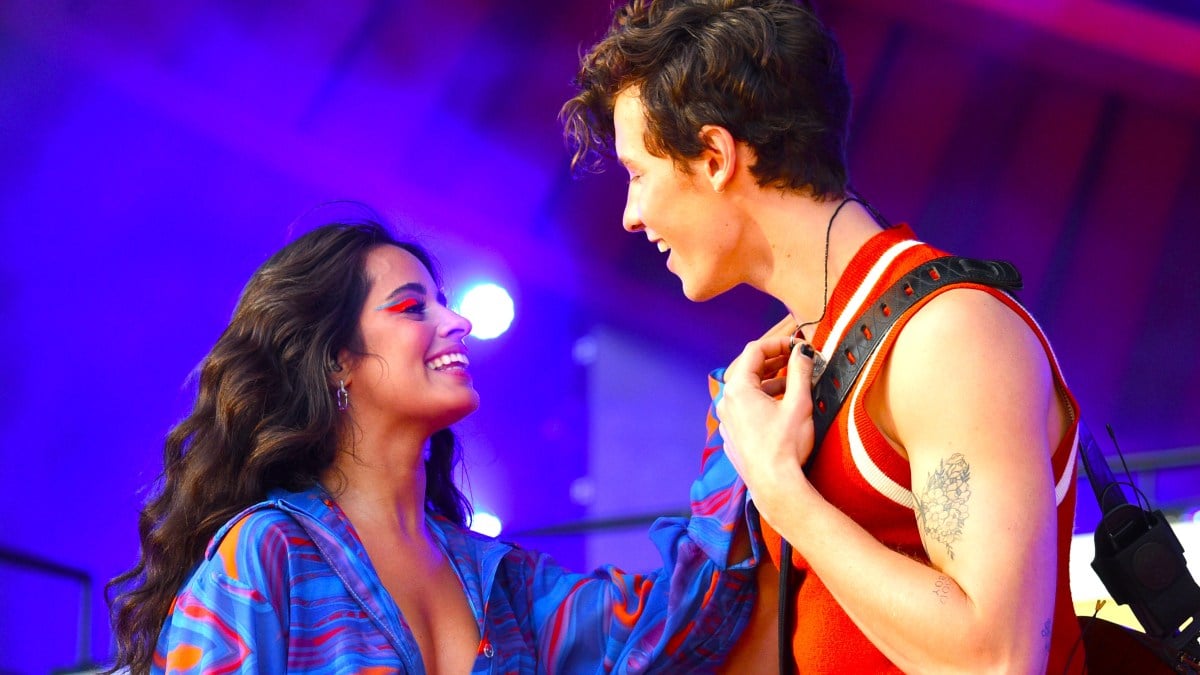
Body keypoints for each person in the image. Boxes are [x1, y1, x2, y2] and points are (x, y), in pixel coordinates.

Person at [561, 0, 1084, 672]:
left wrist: (780, 490)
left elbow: (997, 658)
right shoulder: (802, 356)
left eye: (638, 174)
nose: (631, 215)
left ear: (715, 155)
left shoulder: (948, 336)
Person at [106, 220, 757, 674]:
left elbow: (668, 632)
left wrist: (742, 428)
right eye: (413, 307)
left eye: (444, 302)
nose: (459, 321)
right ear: (337, 361)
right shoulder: (268, 554)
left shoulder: (503, 581)